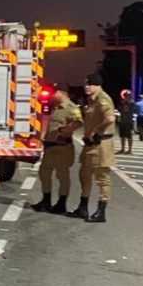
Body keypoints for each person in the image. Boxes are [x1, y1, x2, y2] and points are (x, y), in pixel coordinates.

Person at [67, 73, 115, 222]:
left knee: (102, 179)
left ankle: (101, 212)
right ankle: (83, 208)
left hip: (101, 145)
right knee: (84, 176)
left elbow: (110, 118)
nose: (86, 87)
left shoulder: (103, 99)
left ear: (97, 85)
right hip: (89, 145)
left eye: (90, 84)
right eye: (86, 84)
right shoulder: (91, 101)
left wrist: (95, 130)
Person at [32, 84, 82, 214]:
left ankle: (61, 203)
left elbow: (78, 122)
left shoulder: (71, 107)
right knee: (44, 172)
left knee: (62, 176)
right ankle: (46, 201)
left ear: (61, 93)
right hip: (51, 147)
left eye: (54, 94)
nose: (52, 97)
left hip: (62, 147)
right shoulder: (55, 107)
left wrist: (64, 131)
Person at [117, 89, 135, 154]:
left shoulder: (132, 103)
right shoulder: (122, 103)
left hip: (128, 121)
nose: (126, 97)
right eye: (125, 96)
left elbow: (133, 110)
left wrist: (126, 102)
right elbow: (119, 109)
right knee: (122, 136)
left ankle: (130, 149)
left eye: (127, 96)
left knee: (129, 136)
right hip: (123, 121)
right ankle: (123, 149)